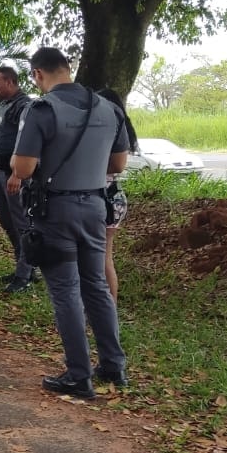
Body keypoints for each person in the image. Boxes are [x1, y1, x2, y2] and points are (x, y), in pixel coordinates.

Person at [7, 48, 130, 398]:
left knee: (64, 290)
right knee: (96, 285)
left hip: (56, 210)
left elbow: (24, 168)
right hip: (95, 206)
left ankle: (79, 375)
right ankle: (113, 366)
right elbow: (117, 165)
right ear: (68, 68)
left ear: (37, 75)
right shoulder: (108, 108)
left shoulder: (42, 109)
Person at [0, 65, 36, 293]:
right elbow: (2, 140)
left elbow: (26, 143)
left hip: (17, 175)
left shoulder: (25, 106)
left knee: (22, 223)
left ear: (11, 82)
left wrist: (17, 174)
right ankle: (23, 266)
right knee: (6, 220)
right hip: (2, 172)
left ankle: (24, 276)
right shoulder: (5, 106)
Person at [96, 88, 137, 304]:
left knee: (103, 259)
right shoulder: (121, 128)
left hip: (106, 198)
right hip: (114, 197)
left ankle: (107, 308)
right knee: (104, 258)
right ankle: (105, 308)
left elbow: (117, 166)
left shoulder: (109, 126)